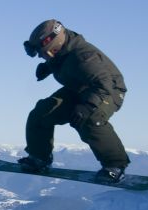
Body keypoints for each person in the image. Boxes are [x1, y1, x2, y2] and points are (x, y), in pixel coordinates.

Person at [19, 19, 131, 184]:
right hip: (79, 88)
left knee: (89, 118)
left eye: (45, 53)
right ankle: (39, 157)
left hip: (108, 91)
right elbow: (63, 58)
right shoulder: (61, 49)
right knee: (42, 112)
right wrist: (48, 67)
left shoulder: (84, 57)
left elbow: (103, 84)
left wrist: (87, 106)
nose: (44, 56)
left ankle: (115, 166)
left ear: (55, 44)